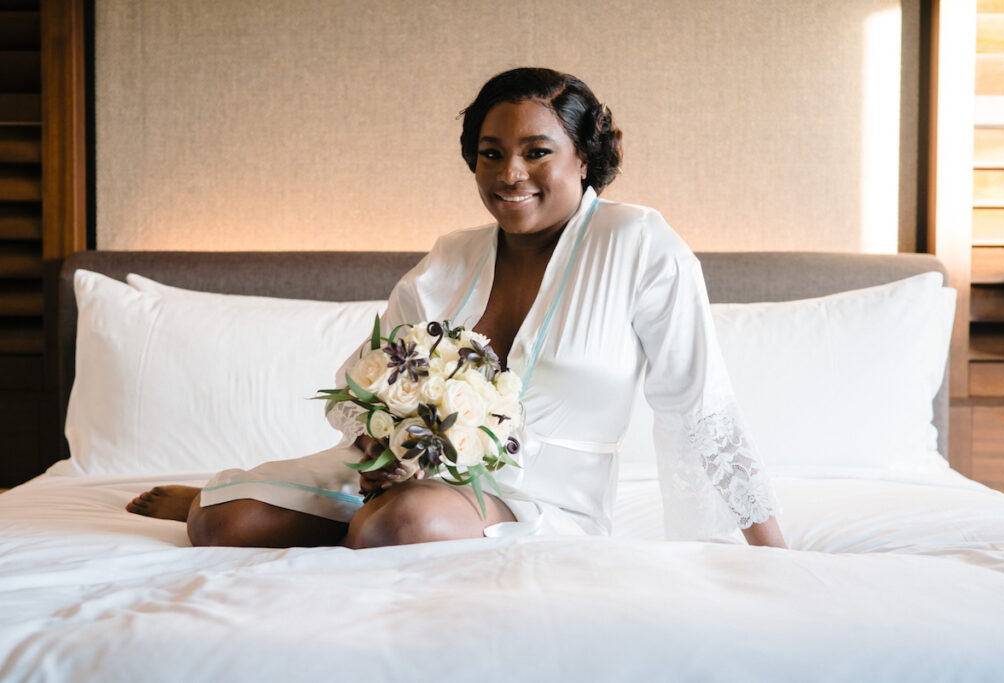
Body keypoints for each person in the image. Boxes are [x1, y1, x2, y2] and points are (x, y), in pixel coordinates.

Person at [128, 67, 787, 550]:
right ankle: (351, 514)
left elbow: (702, 405)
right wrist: (382, 447)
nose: (510, 174)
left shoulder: (640, 244)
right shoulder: (450, 257)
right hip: (401, 481)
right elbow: (362, 382)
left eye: (537, 152)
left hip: (544, 499)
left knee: (399, 523)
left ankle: (378, 524)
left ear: (583, 158)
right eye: (491, 154)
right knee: (217, 518)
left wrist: (772, 551)